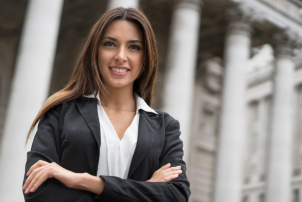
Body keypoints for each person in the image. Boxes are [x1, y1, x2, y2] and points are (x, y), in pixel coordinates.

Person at [22, 7, 190, 202]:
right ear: (96, 51)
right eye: (110, 44)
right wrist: (146, 189)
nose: (120, 56)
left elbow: (176, 196)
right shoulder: (59, 113)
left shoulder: (165, 127)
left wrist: (84, 181)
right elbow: (37, 192)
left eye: (134, 47)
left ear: (145, 58)